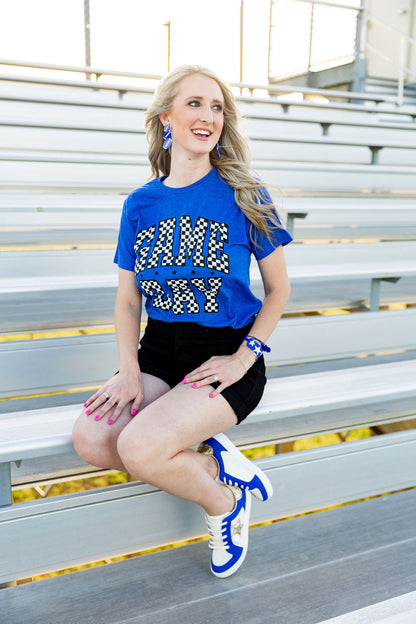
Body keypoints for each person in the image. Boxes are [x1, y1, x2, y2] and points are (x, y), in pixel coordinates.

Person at [72, 64, 292, 578]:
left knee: (140, 446)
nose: (208, 116)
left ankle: (222, 503)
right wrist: (127, 370)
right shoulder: (141, 203)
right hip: (159, 350)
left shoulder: (246, 193)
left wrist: (244, 358)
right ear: (165, 117)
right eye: (194, 103)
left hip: (225, 354)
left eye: (217, 107)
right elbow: (128, 300)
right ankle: (219, 466)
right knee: (92, 439)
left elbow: (280, 290)